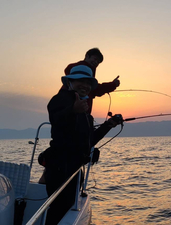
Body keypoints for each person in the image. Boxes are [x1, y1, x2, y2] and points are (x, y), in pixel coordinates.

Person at [43, 65, 122, 225]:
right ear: (69, 82)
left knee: (65, 209)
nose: (84, 85)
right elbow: (56, 119)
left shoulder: (85, 109)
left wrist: (109, 124)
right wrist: (72, 110)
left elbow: (90, 140)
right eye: (80, 81)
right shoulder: (60, 99)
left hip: (74, 168)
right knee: (58, 210)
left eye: (88, 82)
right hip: (60, 169)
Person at [64, 48, 120, 114]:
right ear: (87, 56)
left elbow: (94, 91)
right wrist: (113, 85)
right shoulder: (82, 69)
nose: (96, 62)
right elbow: (96, 90)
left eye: (98, 62)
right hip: (77, 115)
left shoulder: (90, 72)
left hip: (84, 115)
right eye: (95, 59)